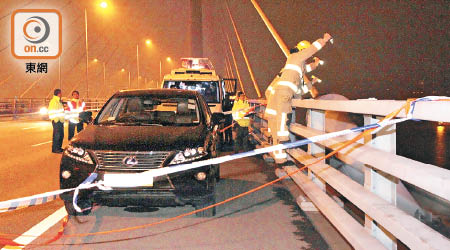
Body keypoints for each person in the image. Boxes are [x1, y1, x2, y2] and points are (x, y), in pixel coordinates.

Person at [265, 33, 332, 166]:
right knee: (283, 116)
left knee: (275, 130)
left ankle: (280, 159)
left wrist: (314, 70)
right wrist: (323, 40)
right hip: (283, 93)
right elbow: (312, 49)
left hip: (277, 97)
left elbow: (302, 84)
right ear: (302, 50)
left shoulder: (294, 63)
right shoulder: (296, 56)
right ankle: (284, 139)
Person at [48, 89, 65, 153]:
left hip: (60, 120)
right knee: (57, 135)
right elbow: (52, 111)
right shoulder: (54, 101)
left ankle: (59, 148)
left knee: (61, 135)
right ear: (58, 94)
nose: (61, 94)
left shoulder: (59, 101)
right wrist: (55, 120)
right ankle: (55, 149)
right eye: (61, 93)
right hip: (57, 121)